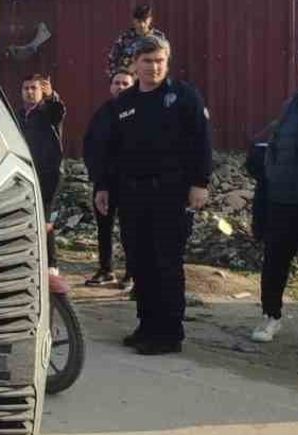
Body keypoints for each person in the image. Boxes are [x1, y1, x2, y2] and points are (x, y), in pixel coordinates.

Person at [95, 35, 212, 356]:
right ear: (135, 64)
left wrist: (200, 183)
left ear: (167, 62)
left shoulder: (183, 97)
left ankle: (169, 332)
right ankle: (147, 324)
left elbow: (202, 142)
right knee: (140, 261)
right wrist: (103, 186)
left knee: (166, 262)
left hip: (171, 194)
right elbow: (111, 149)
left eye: (160, 60)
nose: (154, 66)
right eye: (147, 61)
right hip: (133, 195)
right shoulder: (124, 103)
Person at [250, 52, 298, 347]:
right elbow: (276, 142)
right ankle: (271, 315)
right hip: (284, 198)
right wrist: (273, 176)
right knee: (275, 260)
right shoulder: (291, 105)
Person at [83, 69, 137, 289]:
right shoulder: (103, 112)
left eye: (125, 83)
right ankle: (106, 269)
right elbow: (91, 145)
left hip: (130, 182)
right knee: (103, 227)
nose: (120, 87)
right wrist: (98, 179)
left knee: (130, 229)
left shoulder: (139, 110)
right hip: (104, 183)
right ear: (110, 86)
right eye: (117, 83)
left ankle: (131, 274)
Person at [19, 74, 65, 270]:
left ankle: (51, 265)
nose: (30, 92)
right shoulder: (18, 115)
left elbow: (58, 111)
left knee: (46, 221)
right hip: (26, 174)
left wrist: (52, 96)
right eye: (26, 88)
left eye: (34, 88)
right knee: (27, 217)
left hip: (49, 176)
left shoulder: (48, 112)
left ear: (41, 91)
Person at [107, 4, 166, 77]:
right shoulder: (125, 39)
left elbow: (165, 59)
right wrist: (116, 75)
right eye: (139, 21)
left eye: (145, 21)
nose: (142, 25)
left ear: (150, 19)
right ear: (134, 20)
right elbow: (112, 59)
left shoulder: (158, 37)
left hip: (151, 78)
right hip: (130, 80)